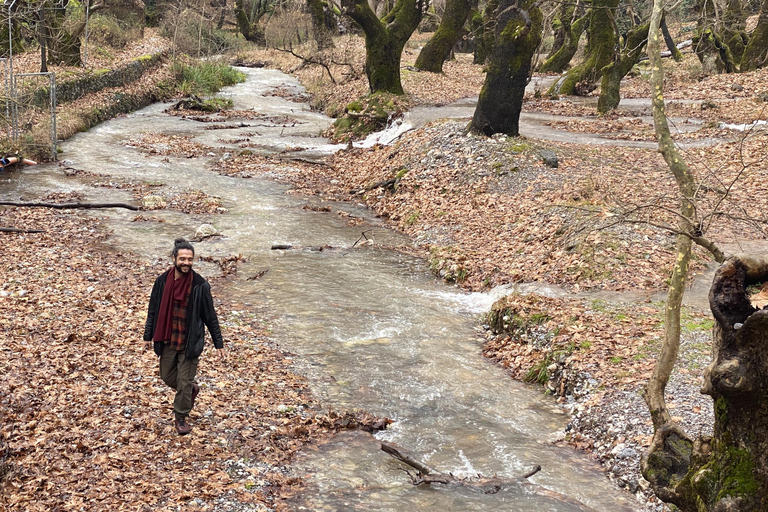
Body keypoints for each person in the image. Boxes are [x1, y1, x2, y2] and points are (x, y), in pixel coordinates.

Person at [143, 238, 225, 435]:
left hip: (190, 342)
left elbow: (209, 315)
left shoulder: (200, 285)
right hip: (168, 338)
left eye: (190, 259)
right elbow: (153, 310)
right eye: (182, 259)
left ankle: (180, 417)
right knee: (166, 376)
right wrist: (148, 336)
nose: (186, 263)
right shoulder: (162, 281)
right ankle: (190, 391)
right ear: (174, 258)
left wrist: (218, 343)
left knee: (184, 382)